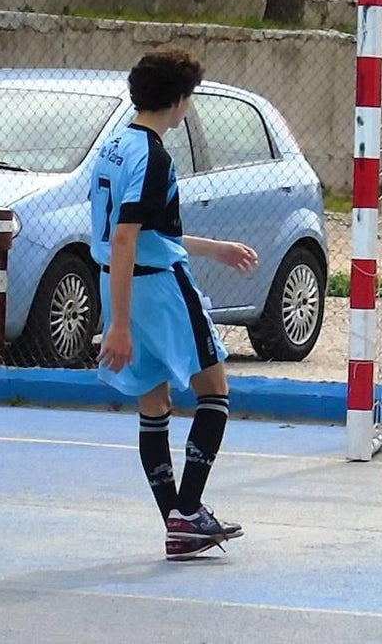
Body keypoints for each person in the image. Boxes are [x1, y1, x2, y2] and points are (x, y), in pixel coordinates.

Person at [90, 48, 259, 560]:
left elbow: (140, 233)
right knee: (214, 391)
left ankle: (178, 523)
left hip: (118, 282)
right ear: (180, 100)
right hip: (159, 290)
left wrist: (213, 249)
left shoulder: (114, 146)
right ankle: (187, 510)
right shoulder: (154, 156)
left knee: (154, 400)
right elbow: (127, 238)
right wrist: (119, 326)